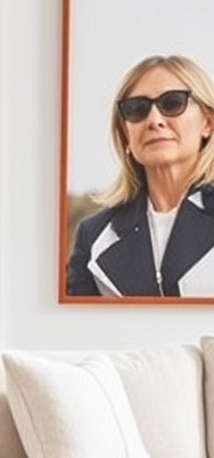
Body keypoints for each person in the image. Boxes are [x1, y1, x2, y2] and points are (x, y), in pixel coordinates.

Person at [66, 54, 214, 297]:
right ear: (126, 135)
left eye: (173, 103)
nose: (154, 120)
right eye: (137, 109)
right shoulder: (94, 236)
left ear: (208, 123)